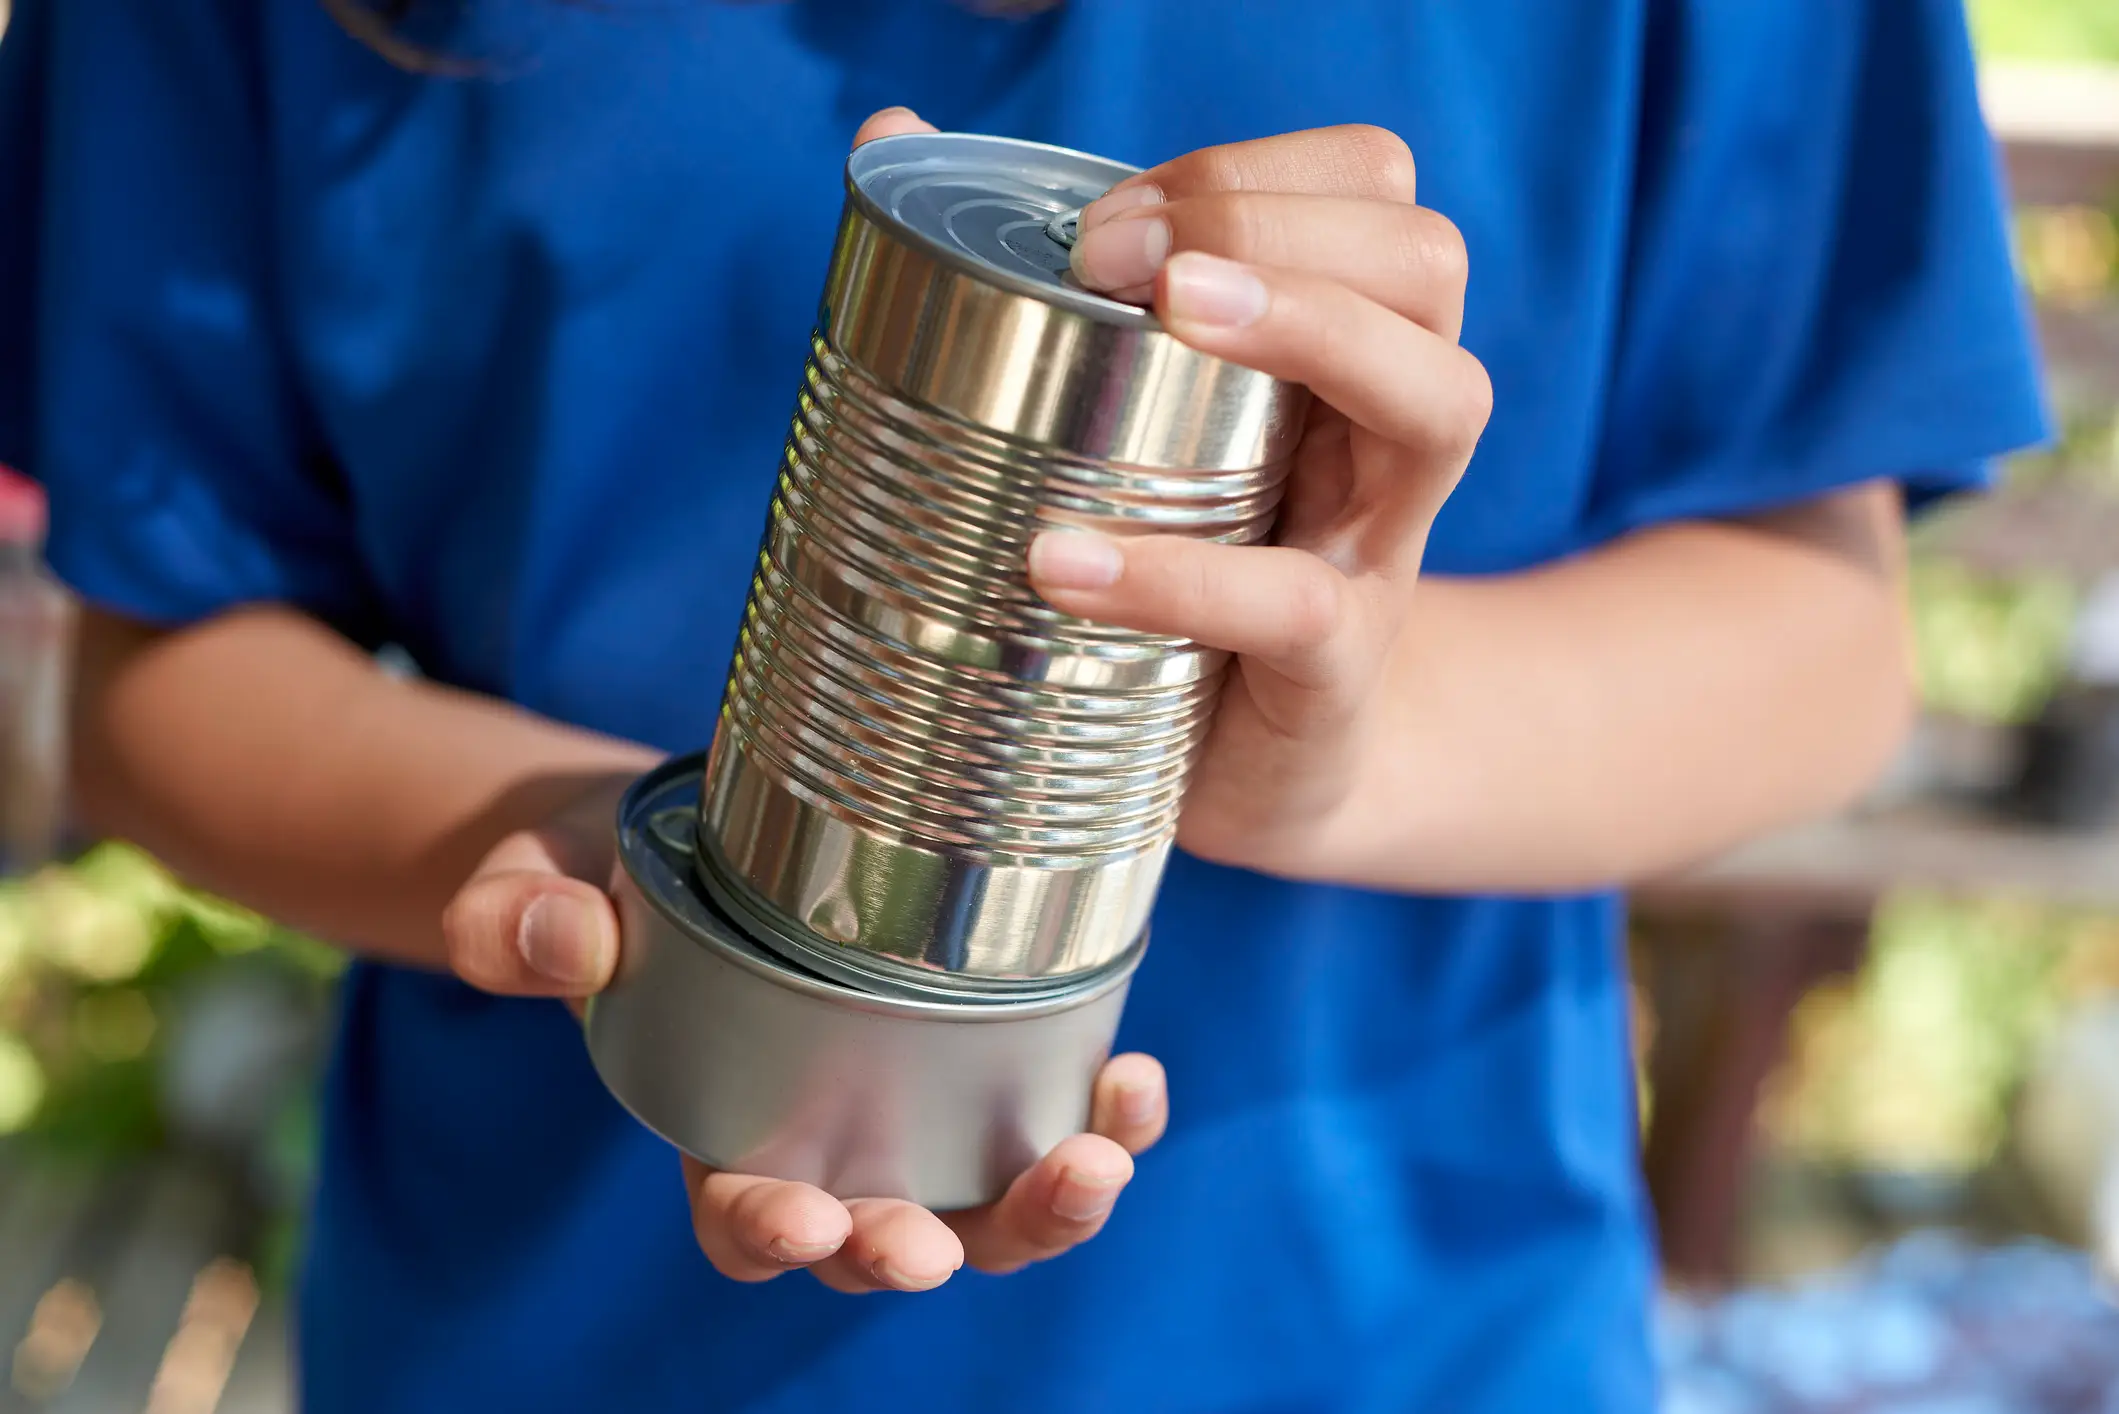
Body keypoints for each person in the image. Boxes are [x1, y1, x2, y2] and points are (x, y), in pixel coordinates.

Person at [0, 0, 2046, 1409]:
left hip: (1393, 1337)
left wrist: (1332, 735)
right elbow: (164, 660)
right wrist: (645, 891)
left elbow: (1817, 623)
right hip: (546, 1338)